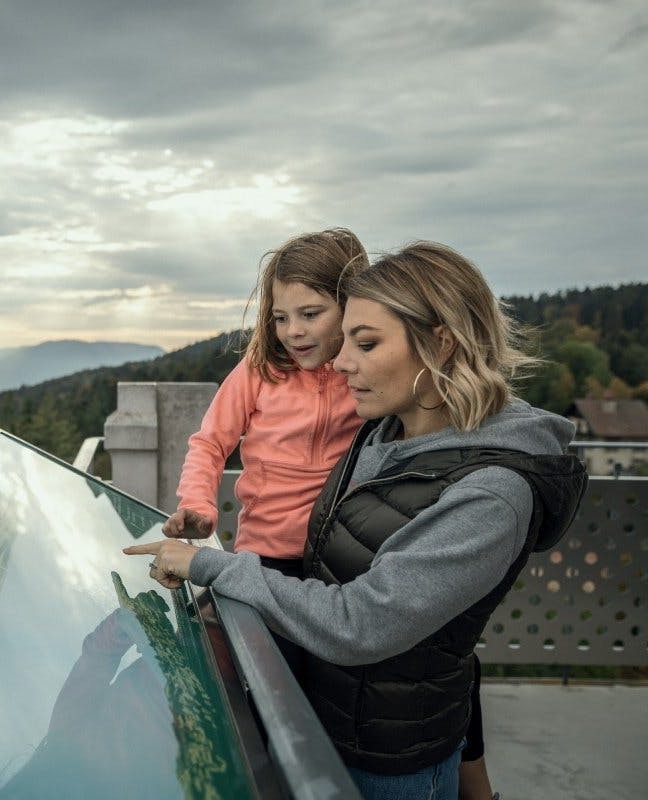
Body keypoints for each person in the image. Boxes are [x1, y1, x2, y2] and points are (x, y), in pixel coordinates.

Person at [126, 241, 586, 800]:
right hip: (335, 708)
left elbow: (364, 623)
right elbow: (213, 443)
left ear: (440, 343)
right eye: (343, 339)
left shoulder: (489, 496)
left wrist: (214, 566)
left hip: (390, 757)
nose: (339, 362)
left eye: (363, 342)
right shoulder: (386, 431)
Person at [161, 228, 367, 679]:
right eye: (280, 318)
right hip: (265, 559)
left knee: (332, 686)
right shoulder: (258, 371)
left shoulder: (365, 375)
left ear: (350, 306)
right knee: (272, 682)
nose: (293, 331)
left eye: (310, 314)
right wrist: (197, 505)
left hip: (343, 562)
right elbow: (210, 442)